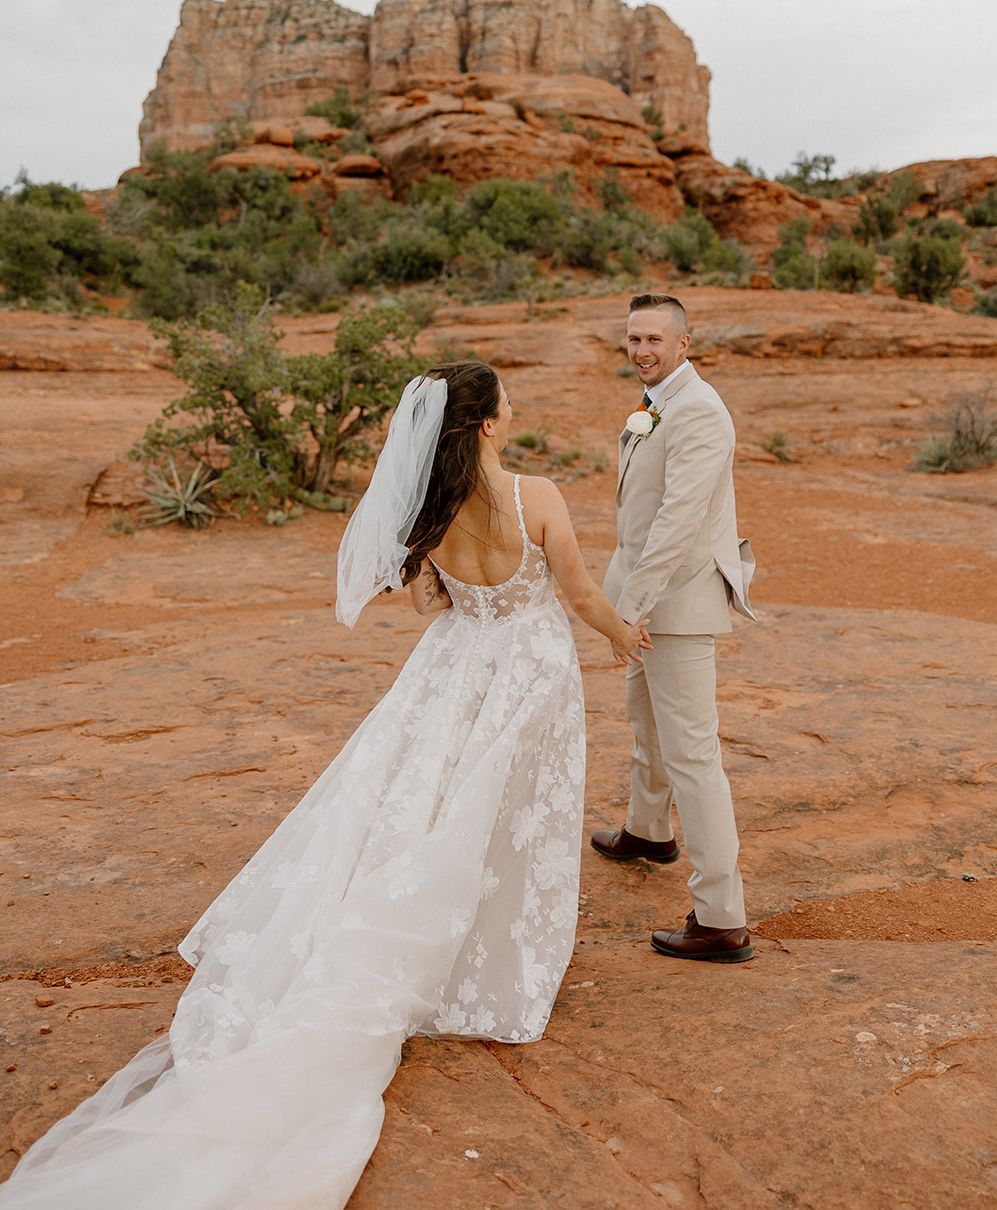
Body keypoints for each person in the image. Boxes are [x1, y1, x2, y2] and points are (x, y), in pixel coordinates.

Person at [1, 361, 649, 1210]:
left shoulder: (426, 506)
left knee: (430, 802)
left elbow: (431, 605)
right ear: (489, 423)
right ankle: (488, 964)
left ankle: (413, 932)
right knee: (512, 807)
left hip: (454, 665)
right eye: (504, 403)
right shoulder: (539, 496)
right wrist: (624, 636)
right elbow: (574, 591)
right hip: (528, 664)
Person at [595, 293, 757, 963]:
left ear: (684, 343)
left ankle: (721, 918)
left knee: (692, 753)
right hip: (643, 596)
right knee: (644, 717)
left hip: (676, 604)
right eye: (633, 339)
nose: (641, 350)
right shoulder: (656, 401)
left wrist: (625, 610)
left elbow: (676, 524)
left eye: (654, 340)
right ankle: (647, 830)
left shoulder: (699, 412)